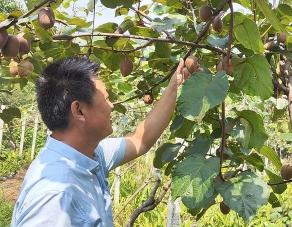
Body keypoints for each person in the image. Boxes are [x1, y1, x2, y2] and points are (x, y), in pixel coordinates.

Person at [11, 56, 187, 226]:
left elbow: (140, 140)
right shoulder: (56, 196)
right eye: (106, 98)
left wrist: (173, 86)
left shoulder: (89, 154)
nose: (111, 106)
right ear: (79, 111)